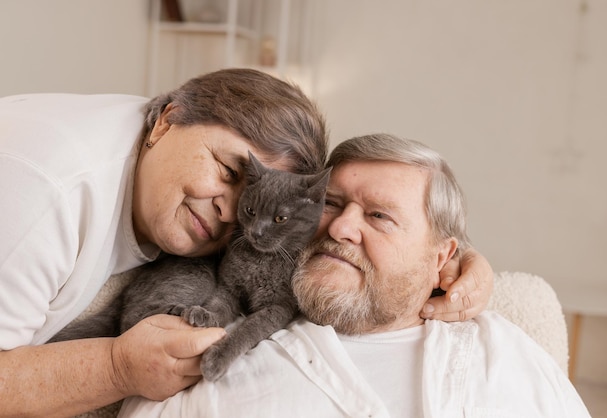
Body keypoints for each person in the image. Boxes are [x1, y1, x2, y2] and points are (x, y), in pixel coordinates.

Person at [0, 71, 492, 418]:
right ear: (167, 120)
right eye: (230, 171)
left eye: (249, 193)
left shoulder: (174, 168)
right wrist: (117, 367)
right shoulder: (44, 192)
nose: (235, 215)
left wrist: (451, 260)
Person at [119, 134, 590, 418]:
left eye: (380, 216)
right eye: (332, 204)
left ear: (442, 255)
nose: (342, 228)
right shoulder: (218, 351)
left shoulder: (505, 354)